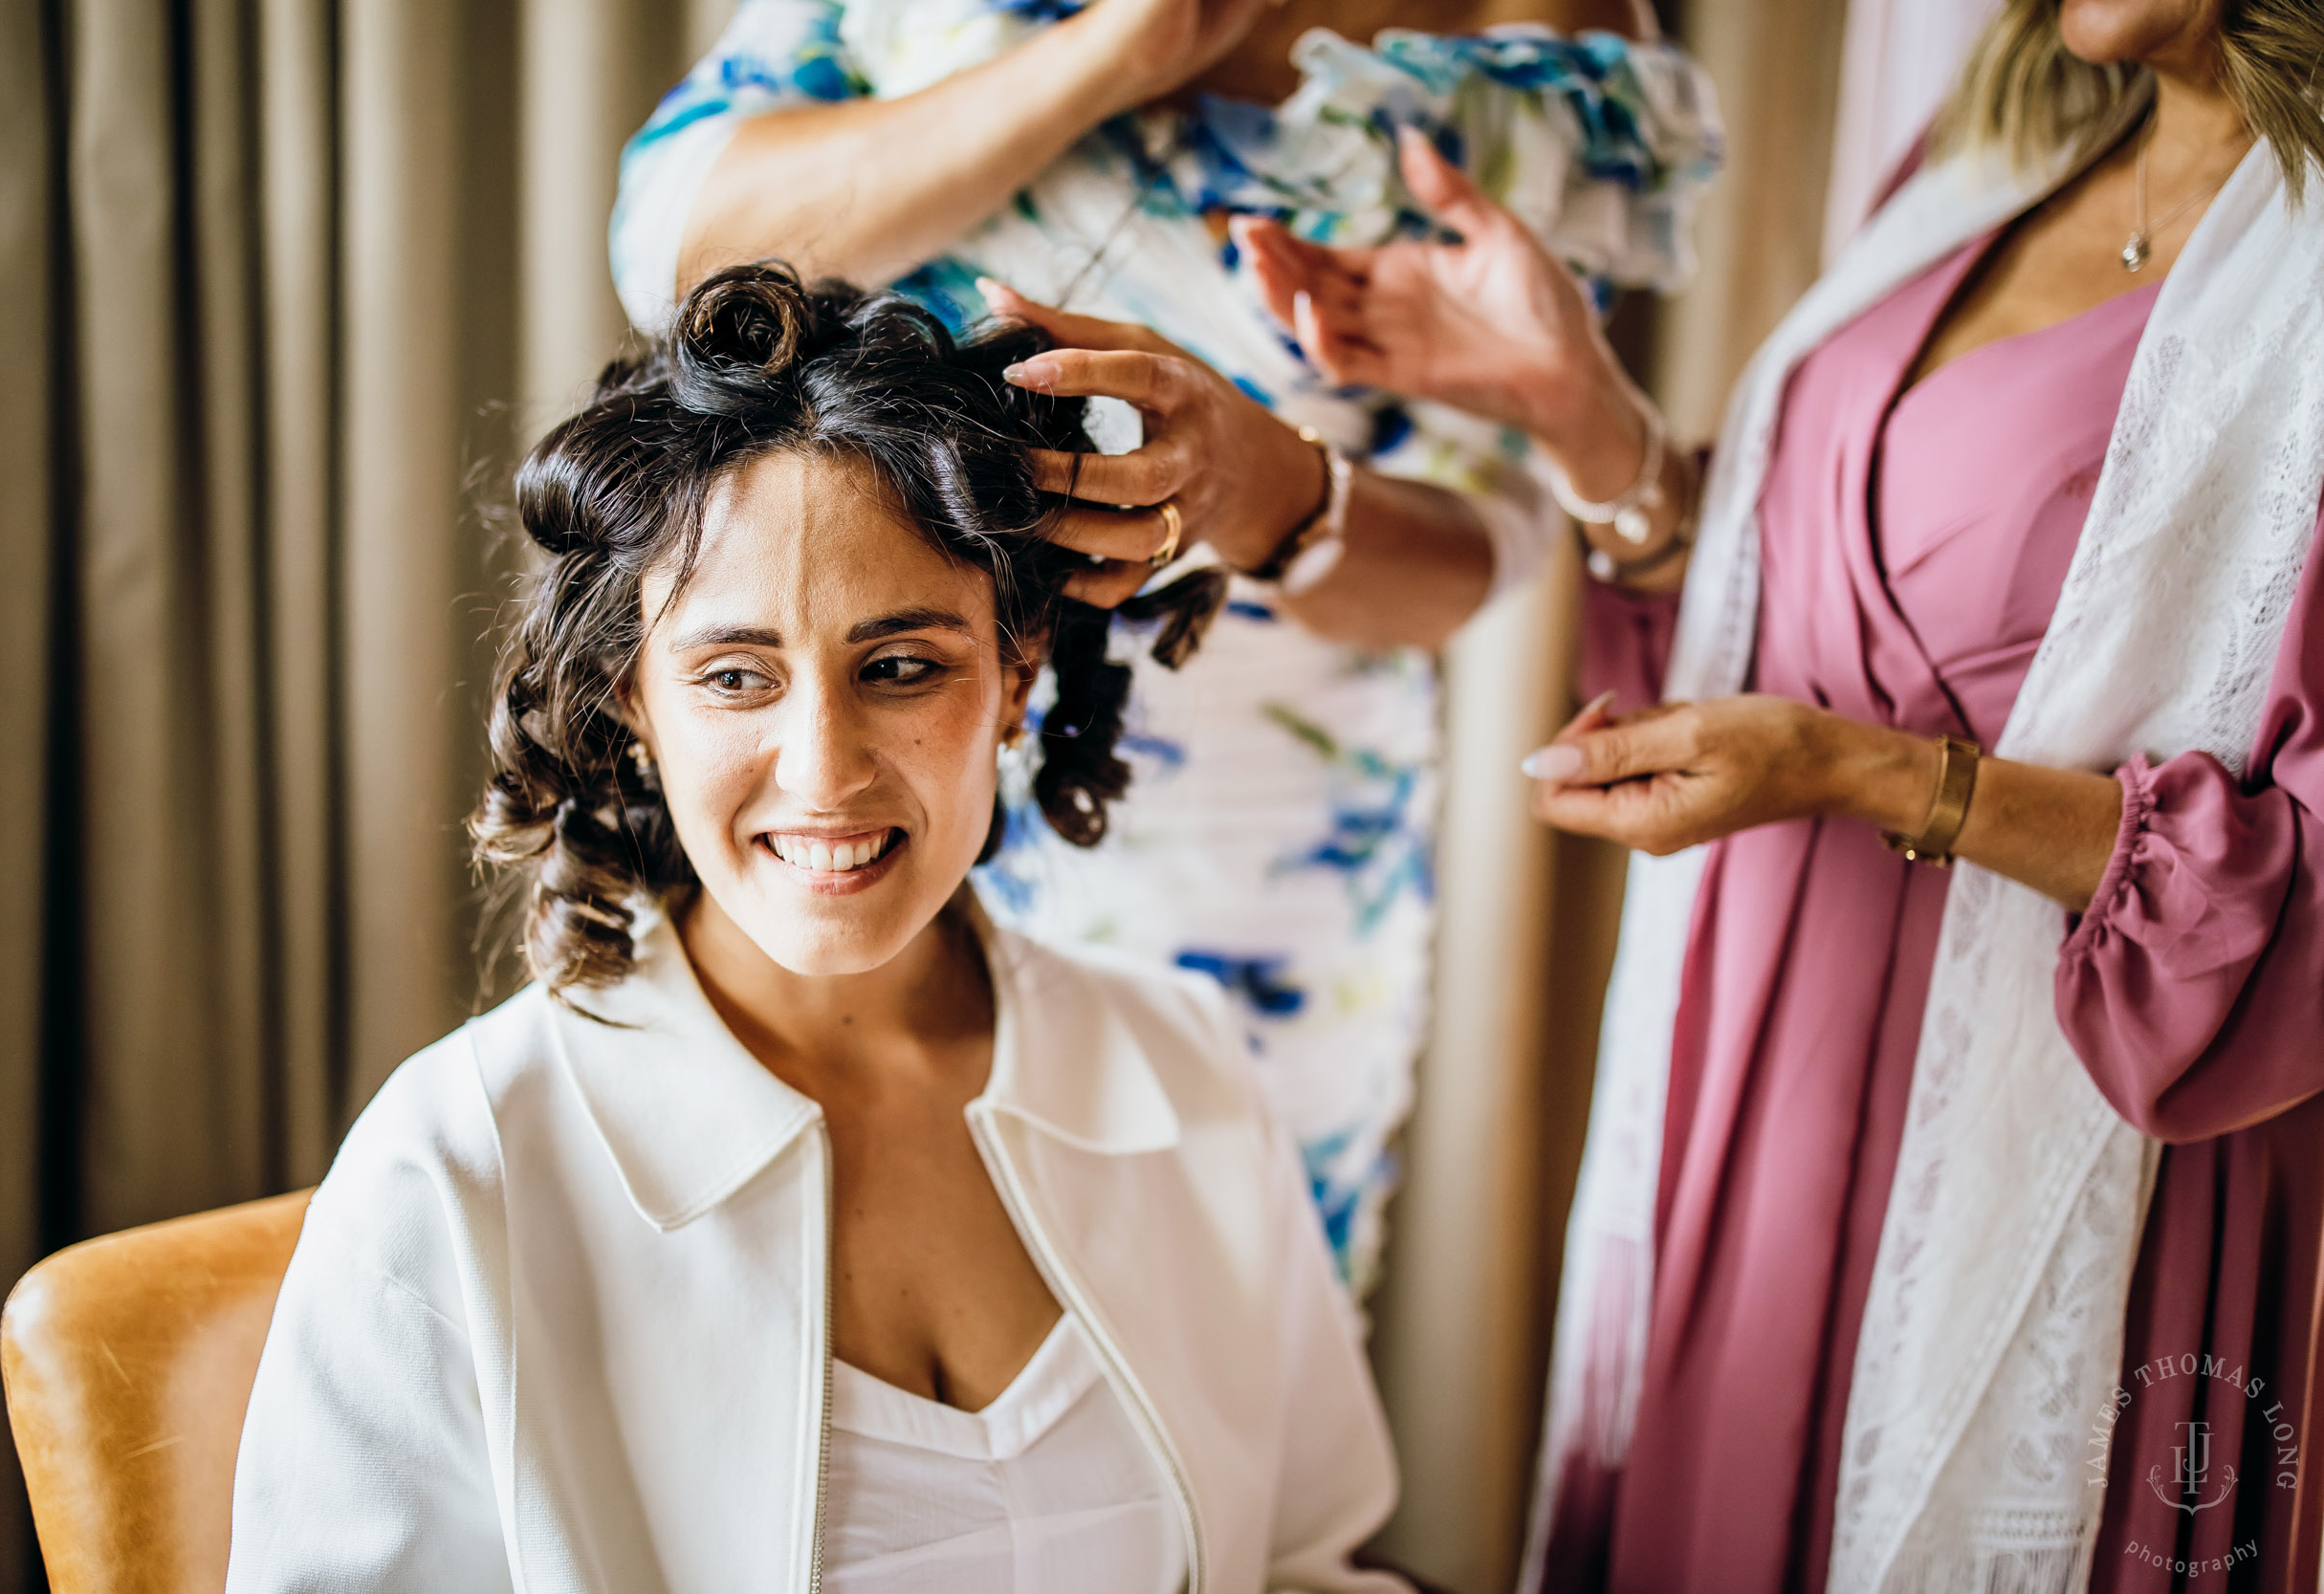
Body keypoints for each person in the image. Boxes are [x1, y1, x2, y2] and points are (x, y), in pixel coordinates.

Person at [1235, 0, 2324, 1585]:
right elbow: (1792, 602)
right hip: (1759, 1078)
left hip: (2060, 1150)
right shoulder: (1982, 164)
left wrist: (1853, 770)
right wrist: (1574, 408)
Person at [224, 267, 1409, 1594]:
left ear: (1017, 675)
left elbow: (1309, 1563)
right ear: (632, 701)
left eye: (901, 667)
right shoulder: (456, 1172)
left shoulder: (1183, 1068)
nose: (824, 770)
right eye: (736, 677)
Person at [607, 0, 1722, 1291]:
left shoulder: (1532, 25)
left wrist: (1276, 494)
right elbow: (676, 252)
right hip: (814, 774)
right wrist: (1124, 50)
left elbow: (1498, 540)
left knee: (1204, 1371)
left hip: (1241, 851)